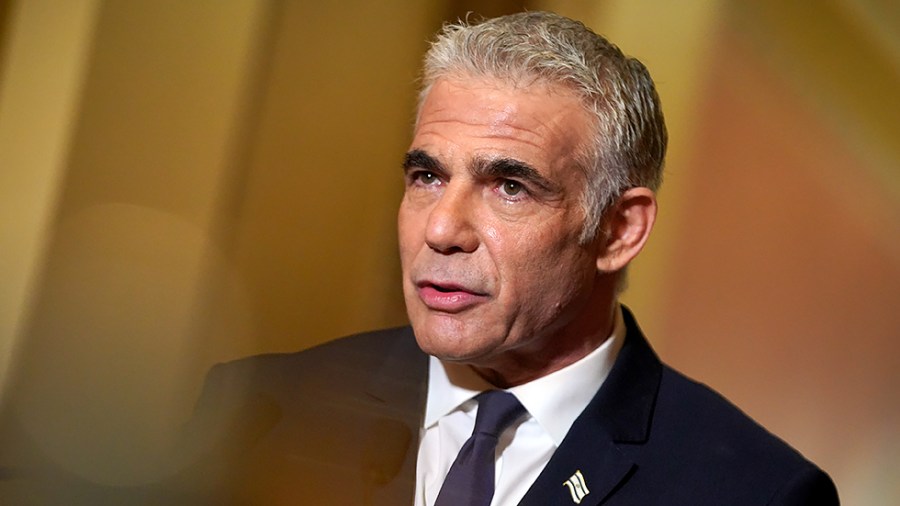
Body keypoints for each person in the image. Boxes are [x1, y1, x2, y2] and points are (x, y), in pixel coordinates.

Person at [175, 11, 839, 505]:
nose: (441, 228)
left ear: (618, 230)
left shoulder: (754, 492)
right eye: (427, 177)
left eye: (510, 187)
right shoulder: (258, 414)